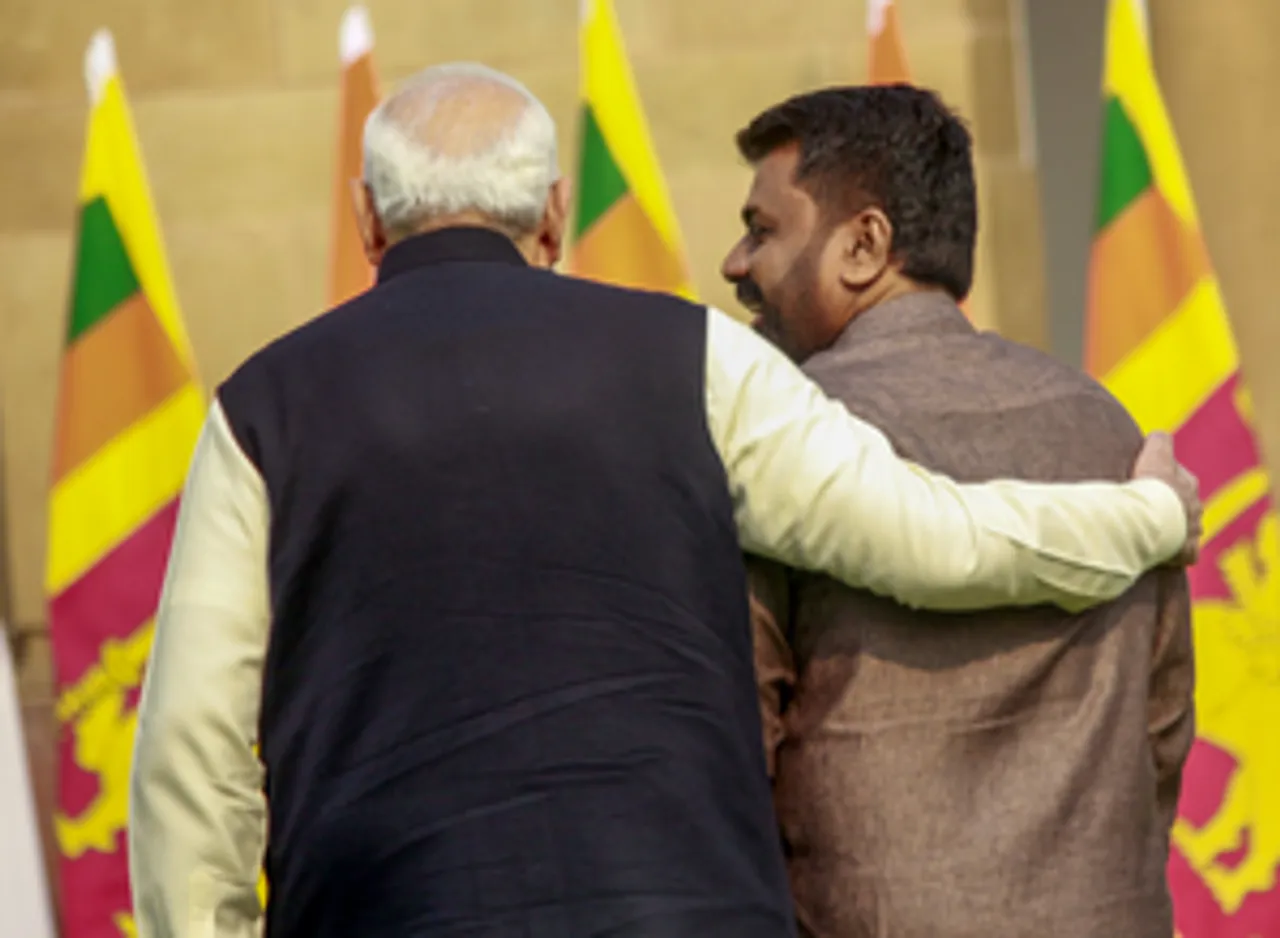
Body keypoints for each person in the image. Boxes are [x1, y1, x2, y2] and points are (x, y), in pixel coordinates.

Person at [129, 65, 1197, 938]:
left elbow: (192, 756)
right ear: (553, 214)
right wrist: (1144, 516)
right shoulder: (693, 358)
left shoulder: (258, 410)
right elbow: (925, 535)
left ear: (364, 219)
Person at [724, 85, 1195, 938]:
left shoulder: (782, 441)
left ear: (863, 244)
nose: (734, 263)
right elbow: (1161, 733)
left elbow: (734, 754)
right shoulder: (1106, 426)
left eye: (763, 229)